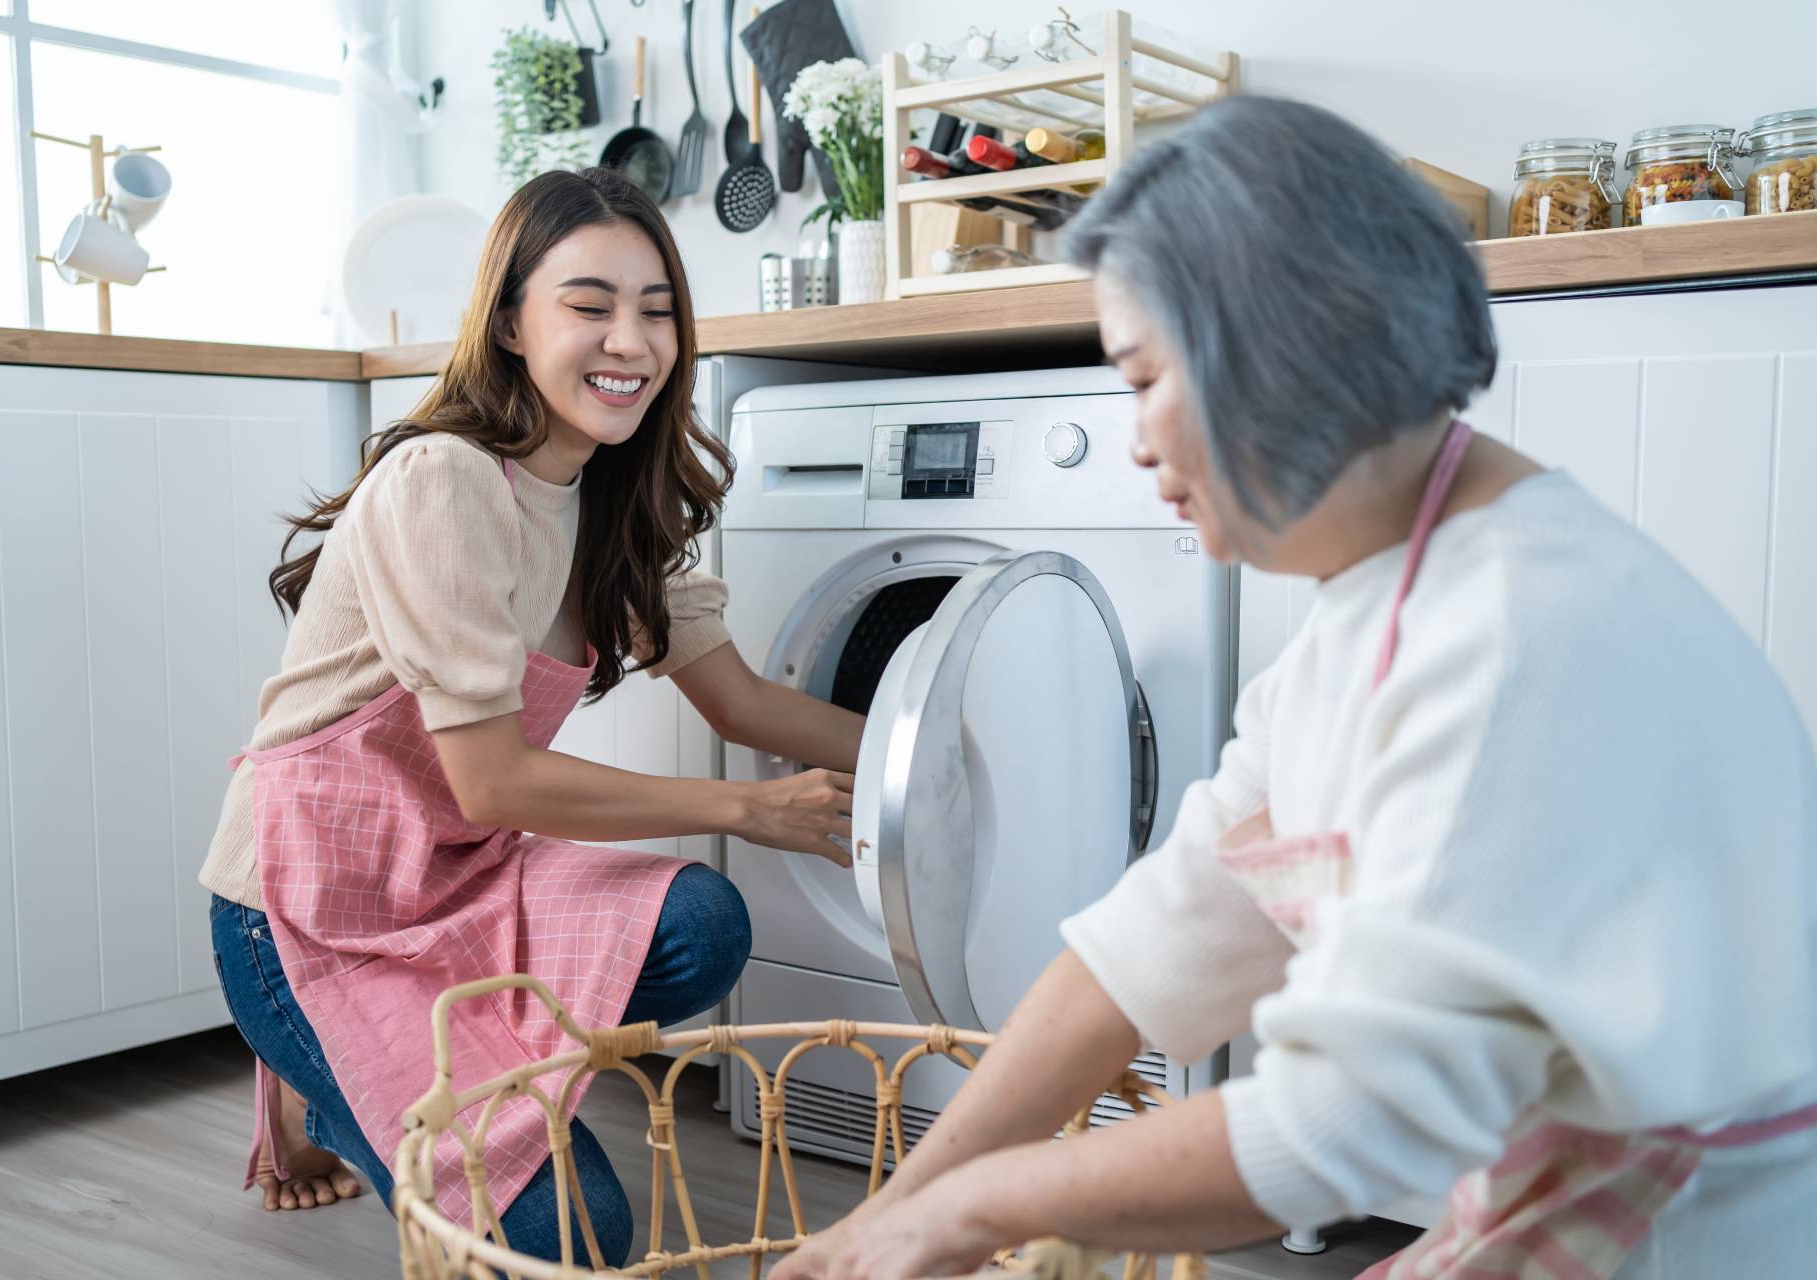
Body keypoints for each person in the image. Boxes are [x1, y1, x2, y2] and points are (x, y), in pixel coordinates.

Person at [774, 96, 1817, 1280]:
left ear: (1282, 343)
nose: (1136, 439)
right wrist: (894, 1209)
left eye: (1147, 375)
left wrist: (972, 1211)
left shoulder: (1518, 632)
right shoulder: (1372, 605)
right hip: (1558, 1200)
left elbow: (1333, 1128)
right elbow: (1156, 940)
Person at [201, 166, 864, 1262]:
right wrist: (747, 808)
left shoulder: (614, 494)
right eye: (590, 304)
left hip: (451, 875)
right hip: (303, 910)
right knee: (580, 1241)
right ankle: (332, 1087)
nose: (632, 339)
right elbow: (493, 782)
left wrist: (925, 751)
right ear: (511, 320)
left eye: (657, 309)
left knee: (703, 925)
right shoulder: (445, 482)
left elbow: (741, 698)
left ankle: (400, 1081)